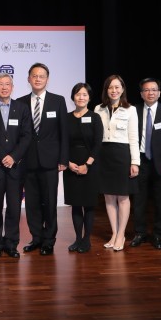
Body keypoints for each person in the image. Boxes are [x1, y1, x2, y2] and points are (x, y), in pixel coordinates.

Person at [17, 63, 69, 256]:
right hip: (28, 161)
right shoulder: (20, 102)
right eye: (34, 75)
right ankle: (36, 237)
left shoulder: (58, 101)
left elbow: (64, 132)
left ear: (47, 79)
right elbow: (19, 134)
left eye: (41, 76)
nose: (38, 79)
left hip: (51, 161)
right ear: (28, 79)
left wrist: (63, 158)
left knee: (49, 201)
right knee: (31, 203)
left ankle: (49, 240)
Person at [0, 72, 33, 259]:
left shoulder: (22, 108)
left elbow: (27, 135)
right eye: (0, 84)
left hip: (16, 167)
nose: (4, 87)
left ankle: (11, 243)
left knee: (14, 208)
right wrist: (3, 156)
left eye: (7, 84)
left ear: (12, 87)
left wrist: (14, 157)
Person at [129, 78, 161, 250]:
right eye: (146, 90)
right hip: (140, 161)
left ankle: (158, 234)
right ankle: (140, 233)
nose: (150, 93)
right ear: (141, 93)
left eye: (154, 90)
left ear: (159, 93)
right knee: (139, 200)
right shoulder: (134, 110)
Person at [93, 74, 140, 252]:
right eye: (110, 87)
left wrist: (135, 162)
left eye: (117, 87)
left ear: (122, 89)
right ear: (106, 90)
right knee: (108, 196)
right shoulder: (98, 109)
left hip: (122, 155)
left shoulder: (130, 109)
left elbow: (134, 138)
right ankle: (114, 233)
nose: (114, 90)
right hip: (103, 155)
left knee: (123, 197)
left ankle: (121, 234)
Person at [62, 82, 103, 253]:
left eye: (84, 94)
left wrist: (87, 164)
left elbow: (98, 143)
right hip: (71, 165)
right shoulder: (66, 118)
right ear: (73, 97)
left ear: (89, 97)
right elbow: (62, 142)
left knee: (89, 205)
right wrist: (68, 162)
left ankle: (87, 240)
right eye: (78, 94)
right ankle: (78, 239)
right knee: (76, 204)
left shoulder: (95, 117)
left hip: (90, 166)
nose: (81, 97)